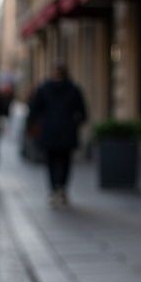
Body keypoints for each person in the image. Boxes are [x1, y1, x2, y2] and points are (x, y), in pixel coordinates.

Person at [27, 61, 87, 206]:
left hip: (51, 132)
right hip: (65, 132)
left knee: (52, 162)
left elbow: (34, 110)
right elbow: (83, 113)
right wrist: (74, 124)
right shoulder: (73, 89)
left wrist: (33, 125)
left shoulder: (45, 88)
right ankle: (61, 189)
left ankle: (55, 189)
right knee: (64, 162)